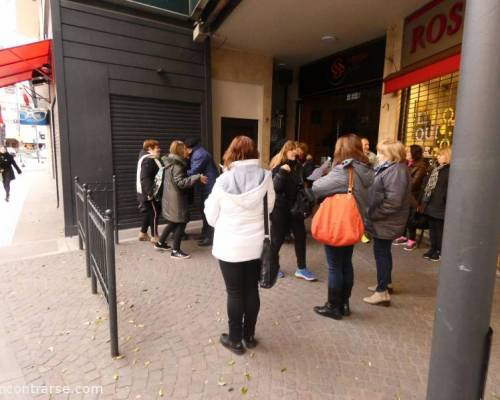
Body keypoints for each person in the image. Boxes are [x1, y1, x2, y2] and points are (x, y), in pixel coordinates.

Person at [204, 136, 275, 355]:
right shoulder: (266, 177)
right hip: (256, 245)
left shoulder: (222, 181)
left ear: (231, 153)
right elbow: (269, 208)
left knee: (234, 292)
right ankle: (249, 336)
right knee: (251, 290)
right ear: (255, 153)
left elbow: (211, 217)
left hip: (230, 246)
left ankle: (235, 340)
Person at [311, 134, 373, 319]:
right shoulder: (366, 169)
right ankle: (344, 304)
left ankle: (333, 307)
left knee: (334, 266)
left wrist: (329, 172)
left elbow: (317, 187)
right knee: (346, 263)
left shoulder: (344, 170)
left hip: (339, 224)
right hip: (355, 221)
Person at [364, 140, 411, 306]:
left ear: (393, 155)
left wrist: (374, 214)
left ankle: (382, 291)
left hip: (386, 220)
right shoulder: (390, 167)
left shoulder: (396, 170)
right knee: (383, 252)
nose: (379, 156)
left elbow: (393, 201)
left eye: (382, 153)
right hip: (384, 220)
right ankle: (385, 284)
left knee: (381, 253)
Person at [269, 140, 317, 281]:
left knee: (300, 237)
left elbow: (304, 181)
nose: (295, 151)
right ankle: (272, 267)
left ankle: (301, 269)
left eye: (296, 149)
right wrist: (283, 172)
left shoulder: (298, 166)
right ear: (285, 151)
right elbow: (275, 188)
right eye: (292, 149)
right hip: (279, 207)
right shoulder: (278, 166)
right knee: (277, 239)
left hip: (295, 207)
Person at [154, 141, 207, 259]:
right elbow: (181, 183)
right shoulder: (178, 165)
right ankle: (175, 251)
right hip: (176, 200)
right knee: (181, 223)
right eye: (184, 149)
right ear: (179, 151)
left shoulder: (169, 162)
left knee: (173, 222)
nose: (186, 150)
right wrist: (197, 177)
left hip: (170, 197)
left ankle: (160, 243)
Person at [393, 144, 429, 250]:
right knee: (403, 216)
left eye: (408, 152)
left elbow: (413, 184)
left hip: (413, 196)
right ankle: (403, 236)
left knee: (411, 218)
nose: (406, 153)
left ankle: (412, 240)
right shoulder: (406, 164)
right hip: (404, 194)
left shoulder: (421, 166)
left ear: (414, 153)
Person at [185, 137, 219, 247]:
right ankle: (205, 233)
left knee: (208, 211)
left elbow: (193, 171)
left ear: (188, 147)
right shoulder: (197, 152)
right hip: (204, 186)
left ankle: (210, 237)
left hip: (208, 187)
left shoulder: (200, 154)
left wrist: (179, 171)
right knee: (204, 211)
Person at [419, 147, 452, 262]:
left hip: (440, 205)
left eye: (441, 155)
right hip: (431, 203)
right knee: (432, 228)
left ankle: (439, 250)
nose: (438, 157)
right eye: (438, 155)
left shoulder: (449, 171)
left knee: (439, 229)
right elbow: (428, 185)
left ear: (447, 156)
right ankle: (433, 248)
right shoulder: (436, 169)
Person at [136, 140, 163, 242]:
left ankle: (142, 233)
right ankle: (155, 236)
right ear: (149, 149)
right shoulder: (148, 160)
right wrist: (150, 193)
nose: (159, 149)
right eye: (157, 147)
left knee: (149, 212)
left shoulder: (147, 158)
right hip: (149, 193)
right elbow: (145, 178)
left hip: (146, 192)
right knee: (155, 212)